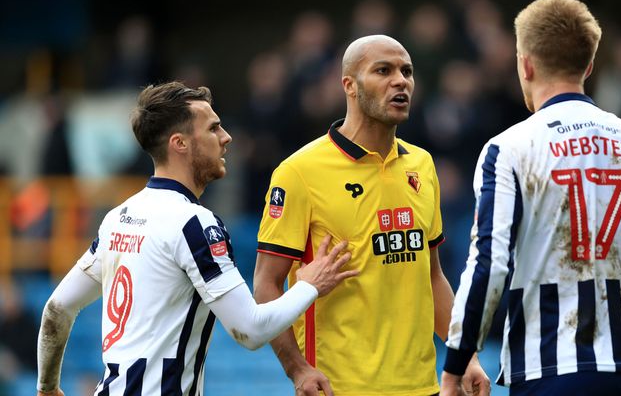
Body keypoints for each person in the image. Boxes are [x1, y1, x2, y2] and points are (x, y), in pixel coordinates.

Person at [440, 0, 621, 396]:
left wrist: (456, 362)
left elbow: (489, 263)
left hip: (551, 369)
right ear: (589, 66)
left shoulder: (509, 149)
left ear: (525, 64)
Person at [36, 82, 358, 396]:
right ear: (180, 143)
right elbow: (250, 330)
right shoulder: (193, 223)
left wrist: (47, 387)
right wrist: (310, 284)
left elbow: (57, 308)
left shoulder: (118, 217)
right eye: (213, 129)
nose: (226, 137)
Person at [253, 35, 489, 396]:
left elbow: (432, 276)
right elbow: (267, 284)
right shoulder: (299, 172)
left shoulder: (422, 166)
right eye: (383, 70)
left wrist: (465, 357)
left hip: (422, 386)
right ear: (349, 85)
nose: (401, 81)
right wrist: (298, 370)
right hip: (340, 388)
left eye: (406, 71)